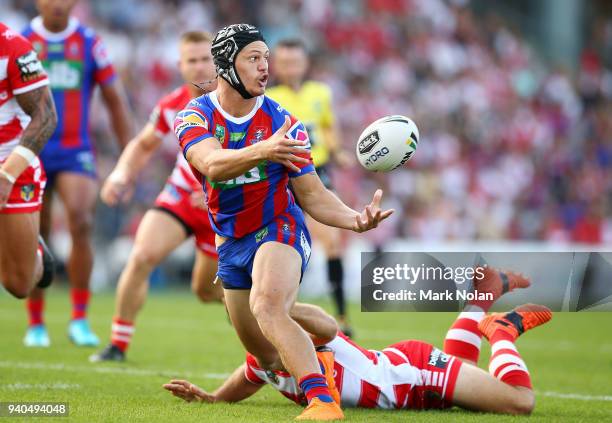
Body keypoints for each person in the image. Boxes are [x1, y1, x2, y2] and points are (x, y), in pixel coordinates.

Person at [174, 23, 394, 421]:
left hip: (279, 227)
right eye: (253, 58)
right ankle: (325, 325)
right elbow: (211, 164)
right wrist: (264, 149)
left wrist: (354, 219)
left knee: (267, 305)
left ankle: (323, 403)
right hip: (231, 239)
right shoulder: (195, 115)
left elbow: (312, 195)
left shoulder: (285, 123)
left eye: (266, 58)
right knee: (267, 354)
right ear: (226, 65)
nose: (264, 68)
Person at [164, 268, 552, 416]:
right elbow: (247, 376)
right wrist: (212, 398)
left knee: (519, 402)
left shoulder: (295, 332)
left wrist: (278, 305)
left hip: (412, 375)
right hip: (404, 374)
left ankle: (502, 329)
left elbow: (331, 328)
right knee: (466, 373)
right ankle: (482, 298)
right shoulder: (265, 358)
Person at [89, 31, 222, 363]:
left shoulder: (238, 103)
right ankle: (117, 345)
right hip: (179, 199)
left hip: (222, 210)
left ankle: (274, 331)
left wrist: (217, 192)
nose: (200, 66)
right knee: (141, 255)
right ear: (180, 65)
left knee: (207, 292)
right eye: (192, 60)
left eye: (206, 58)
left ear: (218, 61)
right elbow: (143, 144)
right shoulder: (171, 105)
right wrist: (121, 175)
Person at [21, 0, 132, 347]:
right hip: (31, 150)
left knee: (81, 221)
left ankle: (79, 318)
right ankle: (36, 323)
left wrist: (129, 161)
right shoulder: (22, 42)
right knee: (35, 232)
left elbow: (115, 101)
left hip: (75, 150)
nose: (57, 3)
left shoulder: (89, 43)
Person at [267, 39, 354, 335]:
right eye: (285, 62)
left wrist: (338, 149)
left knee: (331, 241)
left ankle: (342, 318)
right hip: (284, 174)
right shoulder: (269, 97)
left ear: (305, 64)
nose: (291, 67)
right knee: (288, 243)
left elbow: (328, 126)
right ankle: (287, 310)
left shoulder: (321, 93)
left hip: (318, 172)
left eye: (296, 61)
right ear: (276, 65)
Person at [0, 22, 57, 299]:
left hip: (13, 166)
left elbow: (46, 117)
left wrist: (7, 175)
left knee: (18, 284)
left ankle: (32, 250)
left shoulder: (13, 46)